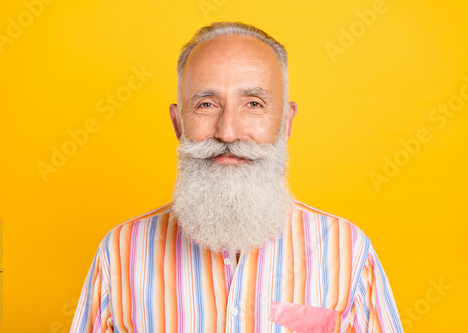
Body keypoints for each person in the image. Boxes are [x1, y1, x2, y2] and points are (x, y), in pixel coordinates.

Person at [70, 21, 403, 333]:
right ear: (178, 123)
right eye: (206, 104)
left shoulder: (347, 249)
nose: (227, 132)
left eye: (254, 104)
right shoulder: (120, 252)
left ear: (286, 123)